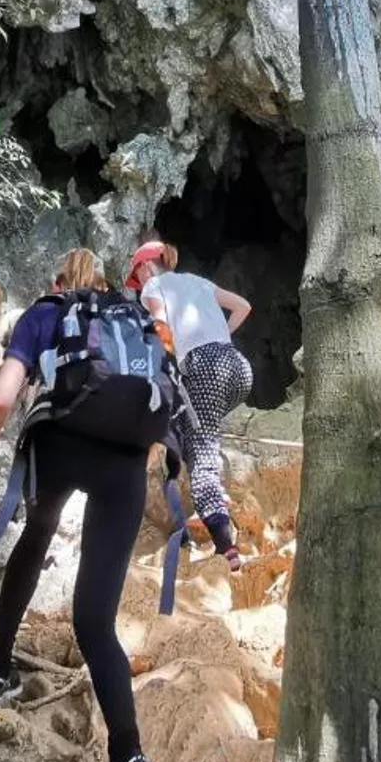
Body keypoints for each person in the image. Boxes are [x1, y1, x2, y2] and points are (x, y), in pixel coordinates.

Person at [0, 249, 166, 762]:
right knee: (95, 622)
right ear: (103, 285)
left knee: (37, 534)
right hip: (126, 461)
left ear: (56, 281)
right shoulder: (128, 317)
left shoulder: (45, 313)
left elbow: (3, 397)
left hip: (60, 442)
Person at [125, 240, 252, 570]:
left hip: (203, 369)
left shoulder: (153, 284)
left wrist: (164, 362)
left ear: (144, 266)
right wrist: (219, 335)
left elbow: (160, 322)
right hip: (237, 367)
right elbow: (243, 306)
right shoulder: (198, 281)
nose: (138, 283)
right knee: (194, 431)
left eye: (136, 275)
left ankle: (227, 548)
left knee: (201, 457)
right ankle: (210, 492)